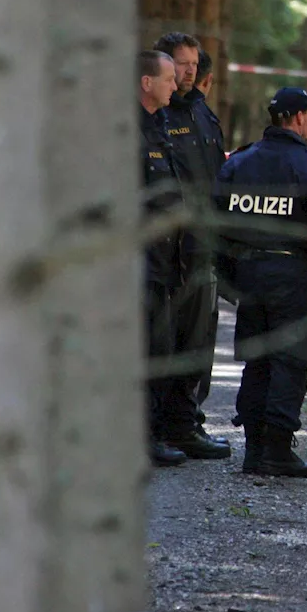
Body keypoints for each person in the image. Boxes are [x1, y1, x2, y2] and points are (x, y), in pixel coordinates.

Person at [214, 87, 307, 478]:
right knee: (290, 361)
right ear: (294, 117)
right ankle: (277, 449)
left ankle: (254, 449)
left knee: (256, 359)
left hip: (249, 276)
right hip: (292, 276)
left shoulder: (239, 163)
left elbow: (216, 224)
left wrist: (227, 277)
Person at [151, 32, 230, 458]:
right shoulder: (158, 119)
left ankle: (186, 422)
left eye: (194, 64)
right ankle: (162, 426)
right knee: (170, 342)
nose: (190, 71)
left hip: (204, 245)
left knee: (200, 341)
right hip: (172, 251)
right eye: (182, 64)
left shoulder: (201, 111)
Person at [139, 50, 191, 468]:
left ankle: (151, 433)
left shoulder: (161, 127)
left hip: (164, 262)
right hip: (139, 264)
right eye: (169, 78)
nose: (176, 85)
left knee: (161, 351)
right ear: (146, 82)